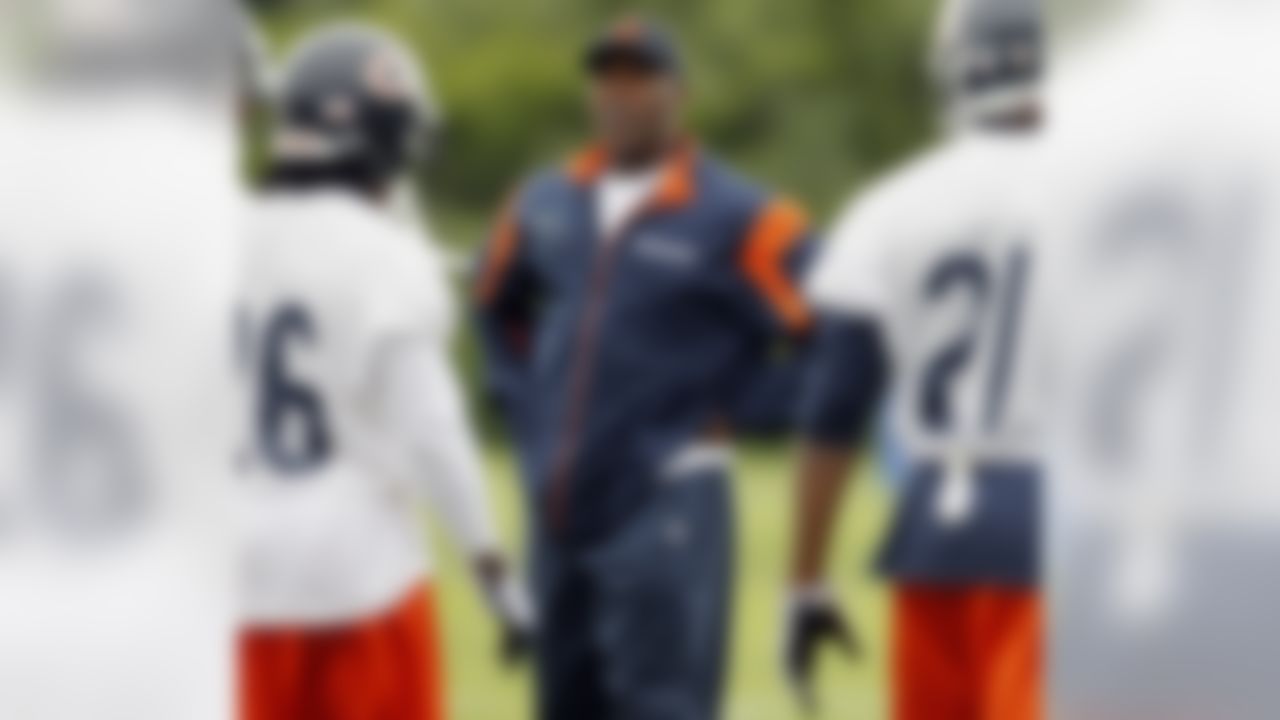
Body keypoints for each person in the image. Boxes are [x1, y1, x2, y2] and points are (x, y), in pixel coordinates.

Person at [474, 15, 816, 720]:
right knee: (565, 705)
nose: (620, 94)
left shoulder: (745, 216)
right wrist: (528, 410)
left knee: (663, 706)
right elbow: (491, 304)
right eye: (607, 77)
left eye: (640, 77)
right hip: (560, 508)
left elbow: (842, 335)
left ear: (679, 93)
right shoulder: (543, 199)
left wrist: (738, 407)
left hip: (667, 501)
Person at [237, 24, 532, 720]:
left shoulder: (211, 234)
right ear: (388, 136)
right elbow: (433, 432)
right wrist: (490, 566)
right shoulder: (384, 258)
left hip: (232, 574)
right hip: (358, 573)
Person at [782, 0, 1046, 718]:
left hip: (933, 531)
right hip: (1065, 526)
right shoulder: (1117, 195)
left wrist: (804, 580)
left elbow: (832, 409)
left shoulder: (890, 205)